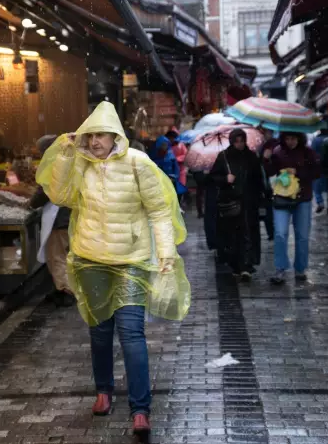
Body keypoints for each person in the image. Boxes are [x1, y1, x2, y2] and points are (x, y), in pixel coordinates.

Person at [36, 102, 190, 441]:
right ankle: (103, 390)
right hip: (91, 260)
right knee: (99, 332)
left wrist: (165, 254)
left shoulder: (138, 163)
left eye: (100, 135)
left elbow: (160, 211)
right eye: (90, 136)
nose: (94, 142)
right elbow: (59, 195)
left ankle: (140, 409)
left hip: (131, 261)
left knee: (132, 334)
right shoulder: (81, 165)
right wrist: (64, 154)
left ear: (115, 135)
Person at [263, 132, 321, 285]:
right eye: (287, 139)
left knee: (302, 235)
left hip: (303, 198)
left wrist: (298, 172)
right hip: (282, 198)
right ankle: (280, 268)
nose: (290, 142)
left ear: (299, 138)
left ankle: (300, 269)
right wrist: (266, 159)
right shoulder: (277, 152)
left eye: (293, 139)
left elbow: (316, 172)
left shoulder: (308, 153)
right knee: (280, 233)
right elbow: (270, 172)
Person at [210, 128, 266, 280]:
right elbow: (213, 177)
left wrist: (259, 197)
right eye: (237, 141)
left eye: (242, 141)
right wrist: (225, 180)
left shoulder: (251, 157)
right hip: (231, 202)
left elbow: (258, 179)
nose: (240, 144)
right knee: (232, 235)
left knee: (248, 233)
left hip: (249, 203)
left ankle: (246, 265)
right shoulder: (224, 157)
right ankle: (236, 264)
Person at [30, 135, 75, 307]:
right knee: (66, 255)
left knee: (57, 256)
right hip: (70, 215)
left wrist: (31, 204)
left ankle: (66, 291)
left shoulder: (55, 164)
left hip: (59, 217)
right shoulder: (70, 160)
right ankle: (64, 287)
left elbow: (43, 191)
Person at [258, 125, 278, 241]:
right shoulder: (259, 146)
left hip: (272, 182)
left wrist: (267, 159)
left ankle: (273, 231)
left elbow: (272, 168)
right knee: (267, 209)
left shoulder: (274, 145)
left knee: (270, 208)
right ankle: (271, 232)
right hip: (264, 183)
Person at [310, 128, 328, 213]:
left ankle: (320, 202)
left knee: (316, 187)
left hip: (318, 166)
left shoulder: (316, 140)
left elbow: (311, 153)